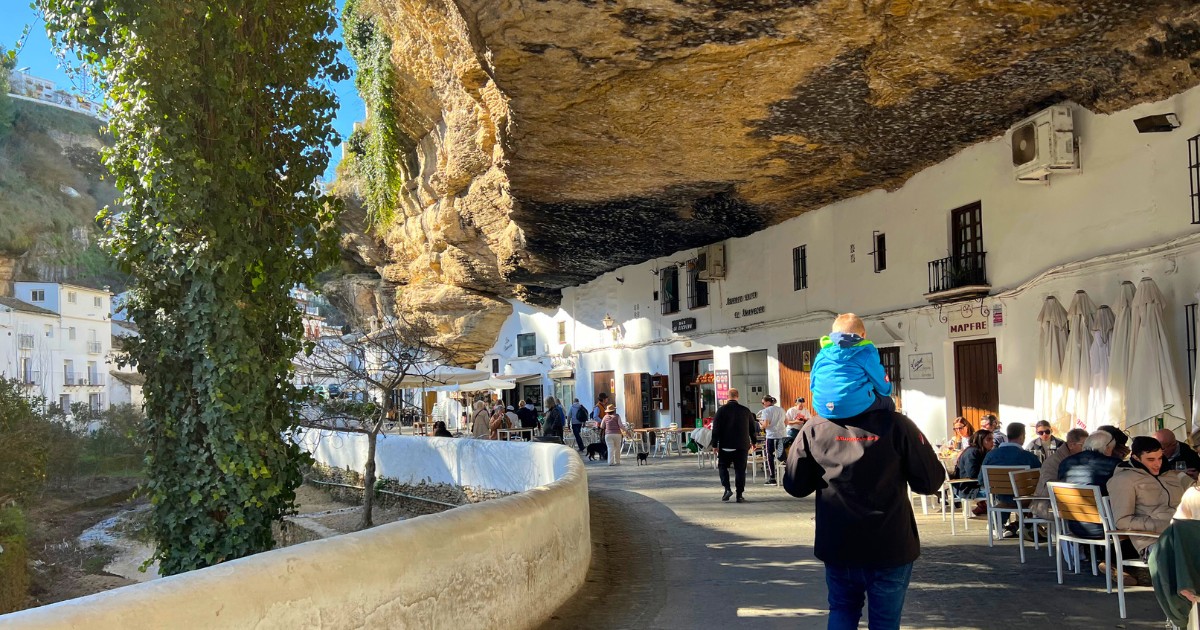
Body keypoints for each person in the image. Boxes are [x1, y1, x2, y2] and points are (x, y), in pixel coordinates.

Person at [782, 388, 944, 630]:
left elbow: (795, 485)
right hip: (890, 543)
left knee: (842, 611)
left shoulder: (815, 427)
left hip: (839, 543)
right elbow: (930, 482)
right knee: (885, 622)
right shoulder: (898, 425)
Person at [1109, 436, 1192, 555]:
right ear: (1136, 458)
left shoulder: (1169, 474)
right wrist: (1165, 525)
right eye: (1151, 460)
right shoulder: (1124, 480)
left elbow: (1193, 488)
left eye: (1160, 458)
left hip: (1182, 532)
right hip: (1153, 541)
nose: (1157, 464)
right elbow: (1122, 521)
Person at [810, 313, 893, 419]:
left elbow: (812, 385)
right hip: (852, 406)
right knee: (888, 402)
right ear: (863, 335)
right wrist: (887, 389)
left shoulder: (822, 353)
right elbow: (882, 386)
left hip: (821, 407)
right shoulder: (866, 352)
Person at [979, 422, 1042, 537]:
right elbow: (1040, 480)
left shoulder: (990, 456)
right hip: (1024, 501)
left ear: (1008, 436)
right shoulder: (1029, 457)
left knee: (1005, 497)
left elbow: (981, 480)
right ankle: (1028, 525)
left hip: (1001, 499)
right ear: (1022, 436)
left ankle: (1002, 524)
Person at [1058, 430, 1123, 538]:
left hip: (1074, 525)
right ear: (1107, 448)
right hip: (1105, 527)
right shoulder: (1113, 465)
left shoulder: (1065, 462)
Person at [711, 388, 759, 503]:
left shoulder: (721, 411)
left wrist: (714, 444)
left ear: (727, 396)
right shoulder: (745, 411)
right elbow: (752, 429)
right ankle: (739, 495)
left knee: (722, 466)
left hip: (725, 445)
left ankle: (727, 488)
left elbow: (716, 429)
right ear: (738, 396)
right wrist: (753, 442)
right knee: (740, 470)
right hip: (741, 445)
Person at [1031, 428, 1089, 520]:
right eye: (1084, 446)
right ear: (1071, 445)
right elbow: (1050, 485)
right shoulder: (1054, 461)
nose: (1087, 449)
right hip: (1048, 504)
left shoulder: (1074, 458)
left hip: (1066, 501)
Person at [952, 430, 993, 504]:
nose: (992, 442)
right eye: (988, 439)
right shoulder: (972, 452)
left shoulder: (982, 451)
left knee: (1001, 490)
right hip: (968, 489)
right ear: (980, 440)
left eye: (992, 439)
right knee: (999, 493)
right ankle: (994, 514)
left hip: (975, 485)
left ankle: (990, 512)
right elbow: (972, 474)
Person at [757, 395, 786, 485]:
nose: (763, 405)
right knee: (783, 457)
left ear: (767, 402)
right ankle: (786, 476)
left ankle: (772, 477)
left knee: (770, 456)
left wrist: (760, 424)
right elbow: (787, 422)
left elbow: (766, 424)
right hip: (782, 435)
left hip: (771, 436)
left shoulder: (766, 411)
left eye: (763, 403)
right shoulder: (781, 409)